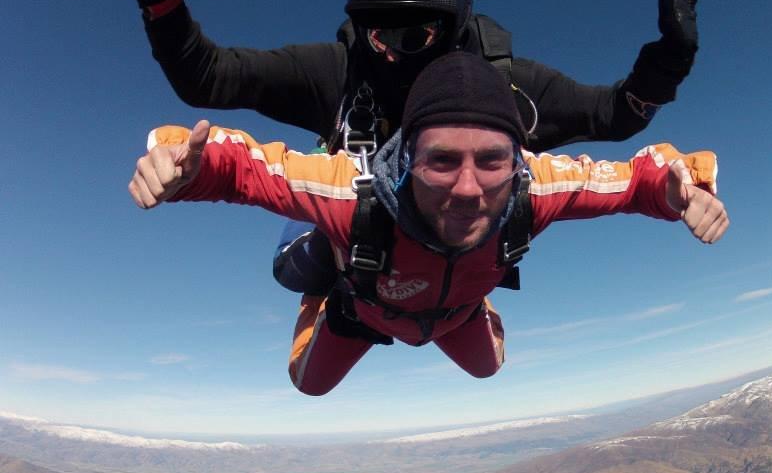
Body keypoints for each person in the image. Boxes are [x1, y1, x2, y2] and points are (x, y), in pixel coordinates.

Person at [86, 0, 703, 296]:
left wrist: (667, 60)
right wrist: (161, 2)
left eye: (409, 35)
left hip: (453, 242)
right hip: (351, 219)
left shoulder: (505, 90)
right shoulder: (342, 70)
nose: (386, 52)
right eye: (373, 31)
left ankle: (453, 295)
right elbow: (211, 79)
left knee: (485, 227)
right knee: (296, 270)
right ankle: (348, 293)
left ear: (457, 26)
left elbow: (617, 115)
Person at [129, 52, 728, 396]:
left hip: (455, 312)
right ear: (406, 158)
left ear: (517, 159)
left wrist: (681, 187)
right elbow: (245, 168)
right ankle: (323, 285)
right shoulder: (352, 192)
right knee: (307, 383)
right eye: (442, 160)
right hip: (358, 308)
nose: (469, 189)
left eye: (492, 160)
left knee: (489, 367)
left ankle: (467, 304)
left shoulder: (533, 190)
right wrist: (183, 165)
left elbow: (630, 179)